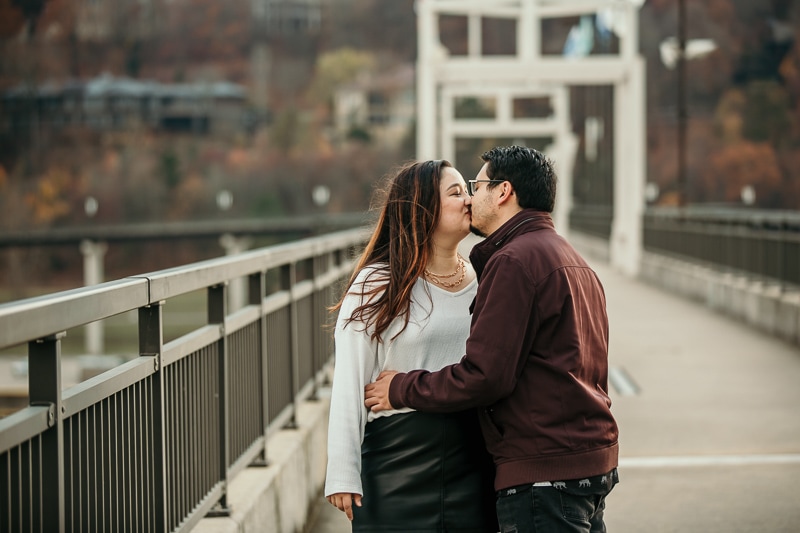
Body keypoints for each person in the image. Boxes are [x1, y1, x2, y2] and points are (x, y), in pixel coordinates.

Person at [365, 146, 619, 533]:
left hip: (543, 471)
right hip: (590, 463)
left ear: (503, 192)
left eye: (476, 185)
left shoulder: (513, 261)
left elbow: (485, 376)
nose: (470, 197)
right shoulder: (574, 260)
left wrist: (401, 387)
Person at [324, 159, 498, 532]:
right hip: (395, 462)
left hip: (473, 459)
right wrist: (342, 471)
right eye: (456, 193)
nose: (469, 200)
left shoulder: (485, 277)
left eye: (467, 191)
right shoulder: (377, 282)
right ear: (421, 207)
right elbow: (350, 380)